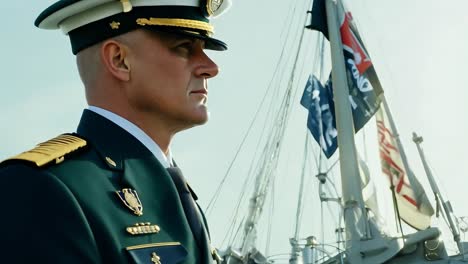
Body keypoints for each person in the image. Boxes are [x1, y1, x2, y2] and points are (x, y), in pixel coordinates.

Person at [0, 0, 231, 263]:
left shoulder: (174, 188)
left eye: (205, 50)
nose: (211, 68)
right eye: (183, 48)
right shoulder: (42, 189)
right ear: (119, 60)